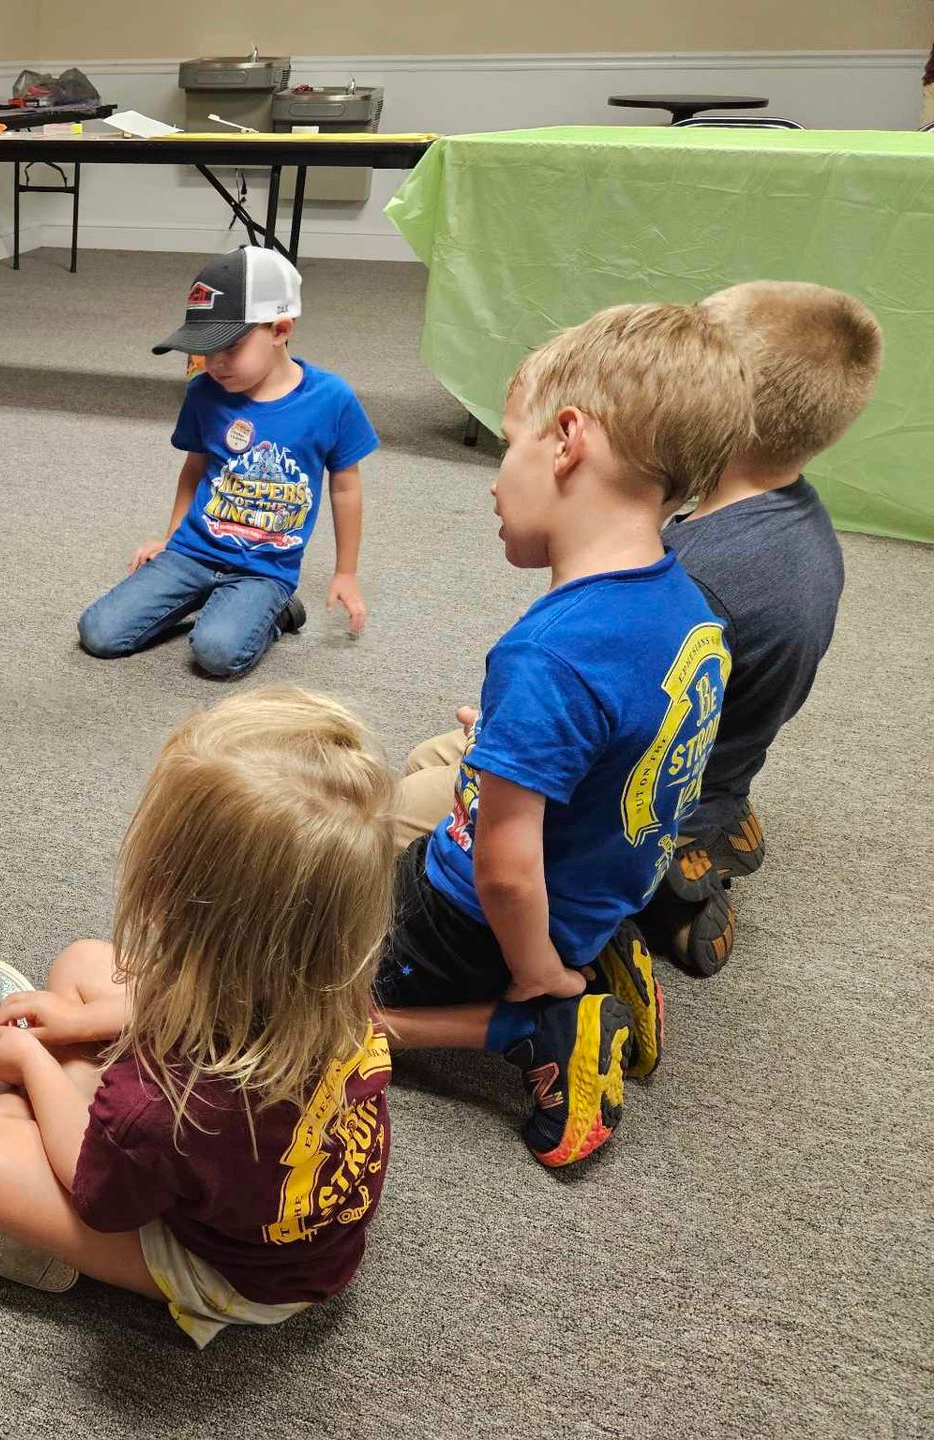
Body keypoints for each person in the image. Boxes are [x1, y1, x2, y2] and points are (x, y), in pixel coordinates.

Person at [0, 689, 395, 1348]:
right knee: (87, 962)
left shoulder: (160, 1111)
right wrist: (77, 1025)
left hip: (240, 1277)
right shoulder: (337, 986)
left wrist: (36, 1066)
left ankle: (17, 1231)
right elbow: (197, 1005)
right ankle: (67, 1062)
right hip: (275, 1196)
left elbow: (98, 1192)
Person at [376, 303, 753, 1169]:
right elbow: (641, 756)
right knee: (436, 768)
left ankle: (545, 1019)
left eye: (507, 444)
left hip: (465, 924)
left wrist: (540, 968)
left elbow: (503, 870)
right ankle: (599, 950)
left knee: (307, 1000)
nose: (492, 478)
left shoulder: (550, 652)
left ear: (566, 439)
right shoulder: (691, 614)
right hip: (598, 886)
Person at [639, 282, 881, 975]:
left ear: (722, 406)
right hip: (734, 747)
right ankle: (720, 815)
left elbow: (624, 729)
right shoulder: (802, 517)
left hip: (673, 787)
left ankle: (684, 878)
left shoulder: (694, 577)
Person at [77, 247, 377, 678]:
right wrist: (171, 538)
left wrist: (346, 572)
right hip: (193, 551)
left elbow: (346, 487)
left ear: (280, 329)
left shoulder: (332, 400)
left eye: (229, 348)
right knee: (98, 633)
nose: (213, 363)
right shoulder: (203, 393)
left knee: (216, 654)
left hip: (264, 569)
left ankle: (277, 611)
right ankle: (217, 603)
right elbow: (194, 470)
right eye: (203, 350)